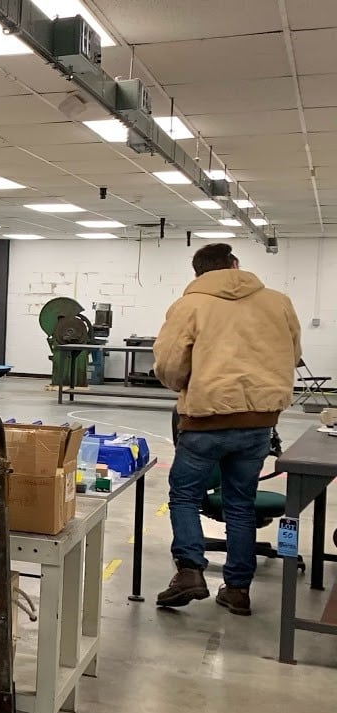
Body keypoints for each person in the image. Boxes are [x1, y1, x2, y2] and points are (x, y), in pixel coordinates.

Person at [154, 242, 300, 616]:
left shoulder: (190, 305)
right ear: (235, 264)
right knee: (240, 504)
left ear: (198, 273)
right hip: (259, 423)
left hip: (206, 421)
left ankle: (189, 570)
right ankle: (237, 590)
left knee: (185, 495)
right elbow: (293, 353)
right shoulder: (278, 302)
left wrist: (189, 383)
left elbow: (169, 365)